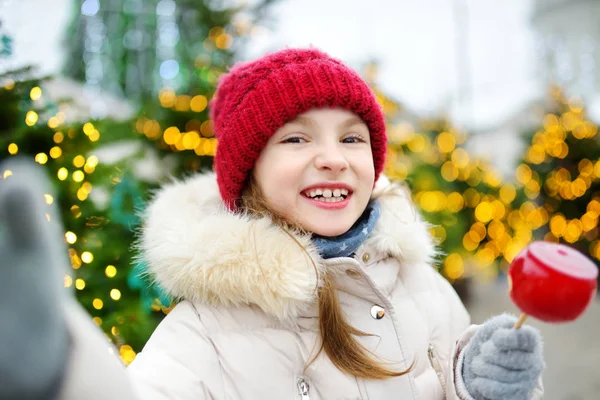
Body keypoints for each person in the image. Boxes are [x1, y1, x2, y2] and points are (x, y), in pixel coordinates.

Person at [0, 48, 544, 400]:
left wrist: (475, 380)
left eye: (352, 138)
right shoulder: (209, 329)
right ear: (249, 173)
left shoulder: (422, 286)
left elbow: (445, 377)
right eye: (296, 138)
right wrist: (62, 369)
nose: (333, 157)